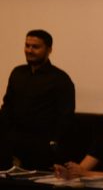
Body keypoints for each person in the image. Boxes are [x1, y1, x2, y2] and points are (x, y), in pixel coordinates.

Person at [0, 29, 75, 169]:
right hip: (13, 140)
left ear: (49, 49)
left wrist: (53, 142)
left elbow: (65, 117)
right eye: (27, 45)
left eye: (35, 47)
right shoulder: (17, 73)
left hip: (41, 145)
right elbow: (7, 106)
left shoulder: (60, 79)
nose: (29, 50)